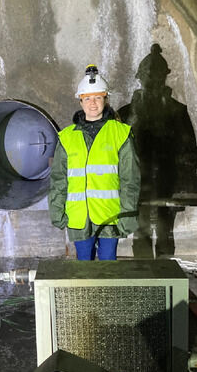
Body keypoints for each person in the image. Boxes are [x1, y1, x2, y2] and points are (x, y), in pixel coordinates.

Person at [49, 65, 141, 260]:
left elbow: (130, 179)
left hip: (110, 216)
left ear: (105, 100)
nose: (93, 103)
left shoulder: (121, 133)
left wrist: (128, 214)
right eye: (88, 98)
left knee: (108, 268)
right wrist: (57, 211)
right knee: (84, 269)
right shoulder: (66, 137)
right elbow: (58, 179)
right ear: (80, 101)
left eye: (98, 97)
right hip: (79, 218)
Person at [118, 44, 197, 258]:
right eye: (149, 76)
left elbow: (189, 151)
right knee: (142, 232)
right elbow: (115, 151)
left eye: (157, 77)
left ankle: (165, 272)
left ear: (164, 78)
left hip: (167, 182)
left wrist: (184, 183)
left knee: (164, 232)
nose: (153, 81)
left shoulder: (177, 112)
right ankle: (146, 273)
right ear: (140, 78)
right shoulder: (127, 113)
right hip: (138, 184)